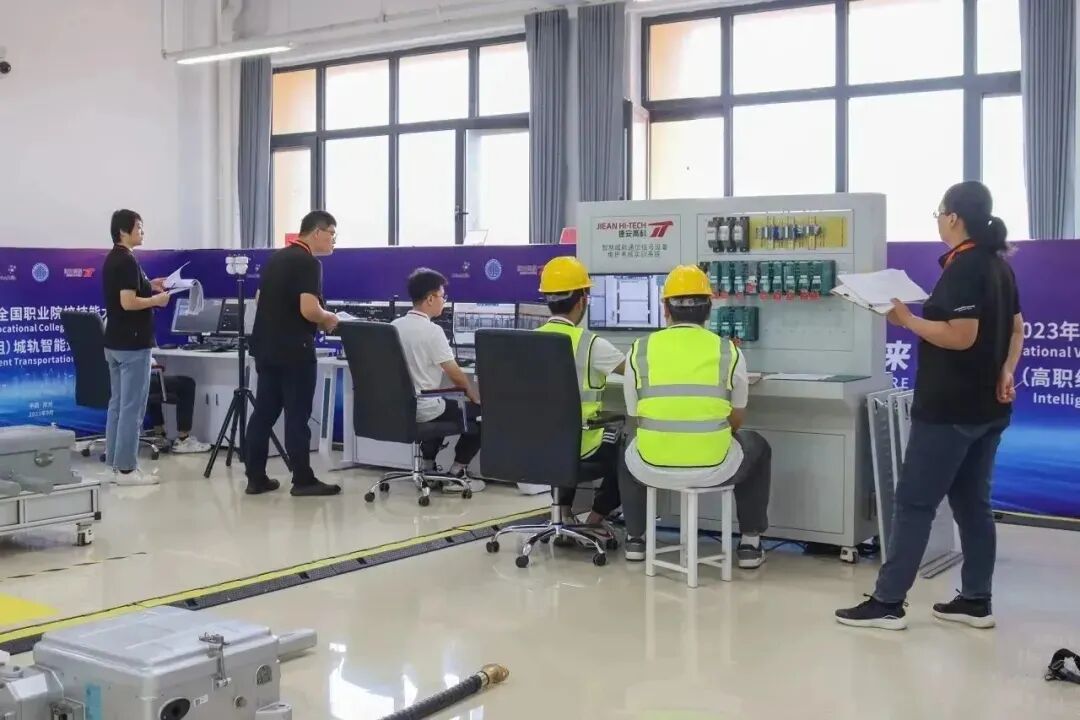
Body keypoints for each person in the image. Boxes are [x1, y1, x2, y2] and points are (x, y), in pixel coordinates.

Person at [836, 181, 1023, 631]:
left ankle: (888, 602)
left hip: (949, 411)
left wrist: (907, 320)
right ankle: (976, 600)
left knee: (915, 503)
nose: (938, 220)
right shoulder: (998, 265)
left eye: (939, 213)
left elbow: (961, 336)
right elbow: (1017, 328)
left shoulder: (967, 266)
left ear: (954, 217)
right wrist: (1006, 371)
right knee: (973, 505)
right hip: (988, 410)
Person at [619, 265, 772, 567]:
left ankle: (635, 539)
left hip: (651, 465)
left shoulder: (639, 350)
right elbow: (737, 419)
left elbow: (636, 416)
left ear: (665, 308)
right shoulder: (728, 352)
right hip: (715, 466)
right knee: (757, 445)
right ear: (709, 309)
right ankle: (750, 544)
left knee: (625, 445)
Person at [245, 210, 341, 497]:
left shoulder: (276, 259)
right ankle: (302, 479)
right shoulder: (308, 262)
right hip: (294, 351)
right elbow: (309, 309)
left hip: (266, 348)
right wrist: (328, 318)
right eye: (332, 234)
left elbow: (260, 298)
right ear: (317, 232)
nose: (333, 241)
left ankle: (255, 478)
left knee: (263, 415)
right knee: (297, 416)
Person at [535, 257, 627, 537]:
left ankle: (563, 513)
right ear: (582, 300)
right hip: (582, 443)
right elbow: (636, 372)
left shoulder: (530, 340)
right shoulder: (591, 344)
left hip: (537, 444)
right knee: (629, 453)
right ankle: (595, 518)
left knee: (561, 431)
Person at [391, 268, 484, 492]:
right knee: (483, 415)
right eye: (443, 296)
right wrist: (474, 396)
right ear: (430, 298)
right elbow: (455, 373)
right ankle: (457, 472)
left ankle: (428, 467)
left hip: (396, 408)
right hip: (424, 407)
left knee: (442, 405)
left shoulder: (394, 326)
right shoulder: (432, 331)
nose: (444, 301)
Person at [101, 209, 171, 486]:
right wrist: (156, 300)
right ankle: (127, 470)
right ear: (123, 231)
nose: (142, 232)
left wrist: (150, 285)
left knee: (118, 406)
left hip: (115, 343)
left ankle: (114, 465)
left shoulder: (114, 258)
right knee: (132, 408)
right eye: (139, 227)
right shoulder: (127, 261)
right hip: (133, 345)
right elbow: (128, 302)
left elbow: (127, 291)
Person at [146, 371, 211, 454]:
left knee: (153, 387)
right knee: (187, 384)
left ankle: (159, 436)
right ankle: (183, 440)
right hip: (143, 381)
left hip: (134, 383)